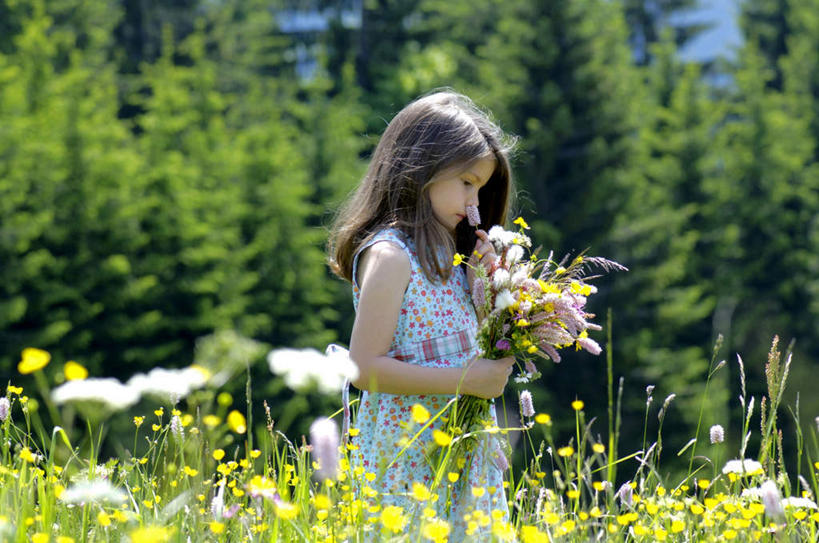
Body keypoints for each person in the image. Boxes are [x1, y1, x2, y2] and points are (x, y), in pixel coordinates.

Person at [327, 90, 517, 539]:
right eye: (467, 182)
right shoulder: (392, 255)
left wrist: (488, 287)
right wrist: (467, 380)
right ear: (423, 169)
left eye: (481, 188)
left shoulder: (452, 257)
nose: (475, 202)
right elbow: (362, 367)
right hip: (405, 455)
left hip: (462, 452)